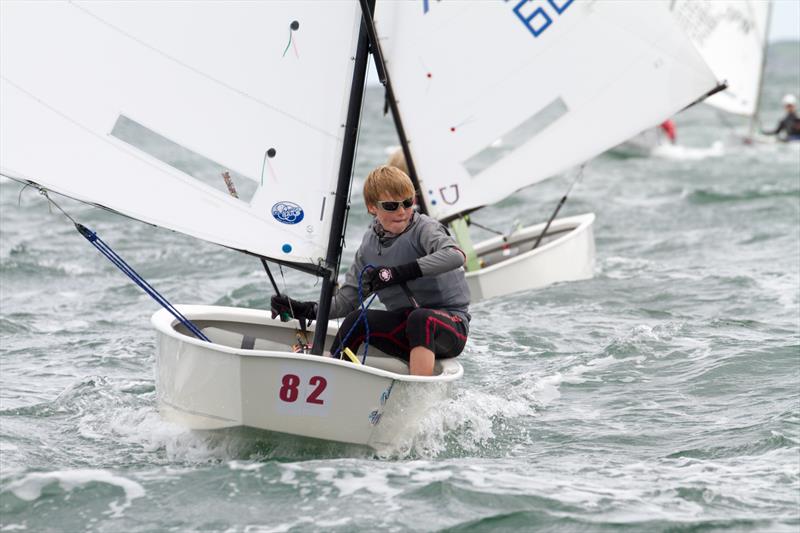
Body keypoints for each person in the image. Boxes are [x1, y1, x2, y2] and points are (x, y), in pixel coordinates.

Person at [271, 165, 470, 376]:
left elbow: (456, 255)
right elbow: (346, 302)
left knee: (421, 319)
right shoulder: (369, 247)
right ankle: (331, 378)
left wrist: (397, 273)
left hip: (449, 328)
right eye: (391, 206)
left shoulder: (425, 229)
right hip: (407, 331)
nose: (402, 211)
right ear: (372, 207)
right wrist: (305, 309)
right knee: (356, 319)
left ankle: (419, 394)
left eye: (407, 202)